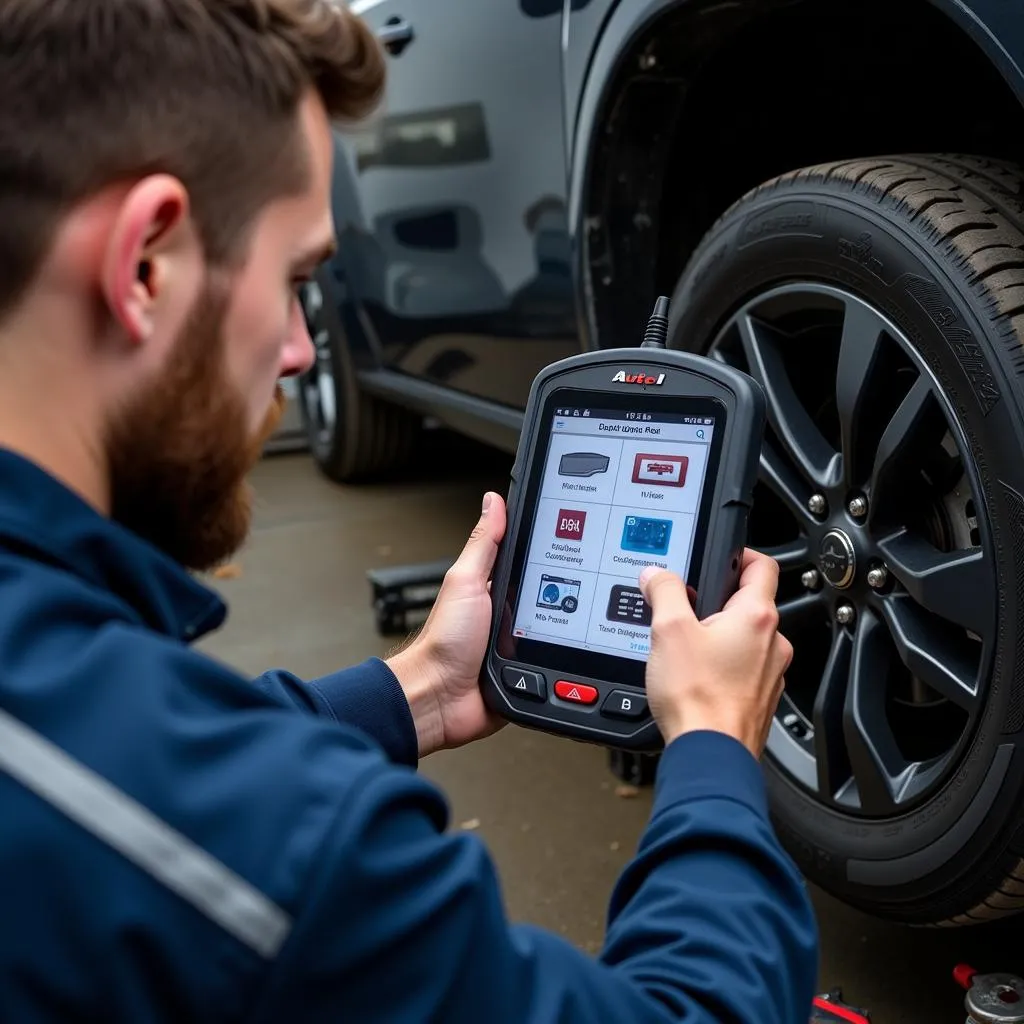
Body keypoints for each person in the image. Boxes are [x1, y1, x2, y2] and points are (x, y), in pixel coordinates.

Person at [0, 1, 818, 1021]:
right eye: (297, 278)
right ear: (144, 264)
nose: (303, 351)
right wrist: (709, 746)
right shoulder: (274, 845)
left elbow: (143, 760)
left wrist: (416, 690)